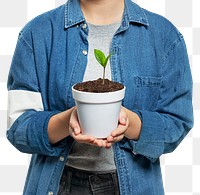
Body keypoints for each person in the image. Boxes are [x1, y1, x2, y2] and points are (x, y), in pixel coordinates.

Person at [7, 0, 193, 194]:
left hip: (135, 187)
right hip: (59, 184)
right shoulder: (38, 33)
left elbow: (177, 123)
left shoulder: (164, 36)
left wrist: (129, 122)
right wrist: (67, 121)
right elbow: (18, 127)